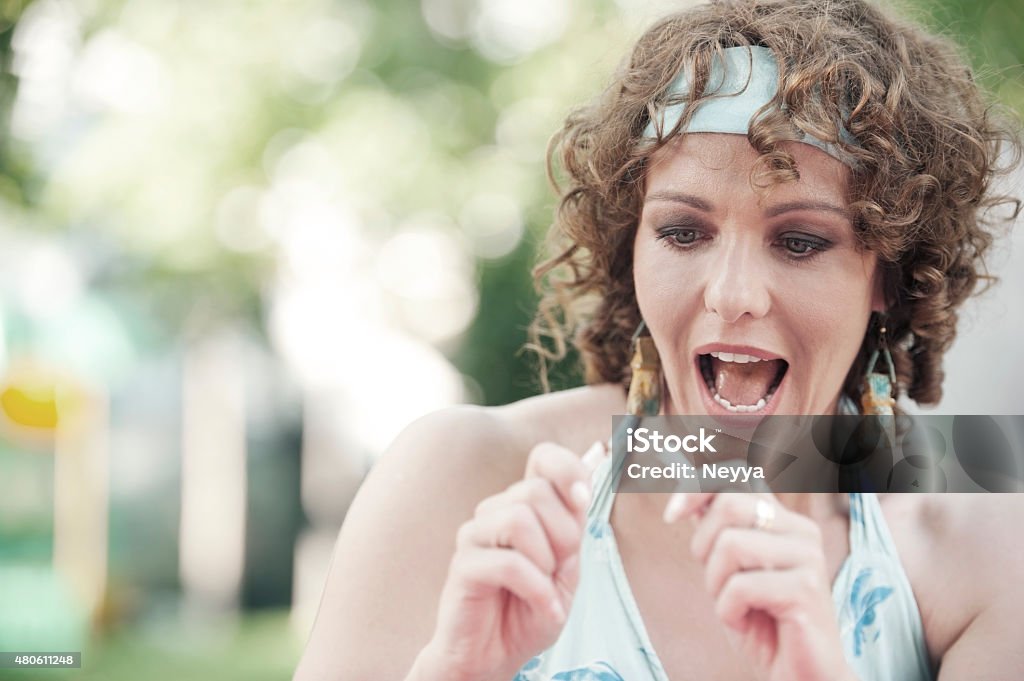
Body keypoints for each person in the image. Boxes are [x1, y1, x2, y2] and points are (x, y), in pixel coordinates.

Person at [293, 0, 1023, 679]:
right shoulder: (461, 475)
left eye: (799, 241)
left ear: (889, 276)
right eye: (682, 231)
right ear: (630, 249)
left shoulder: (981, 525)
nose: (732, 294)